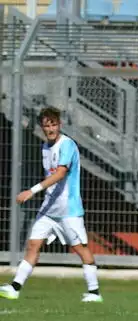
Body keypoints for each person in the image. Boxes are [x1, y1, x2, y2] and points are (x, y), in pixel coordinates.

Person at [0, 107, 101, 303]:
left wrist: (32, 191)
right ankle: (14, 287)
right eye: (46, 126)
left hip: (68, 209)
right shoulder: (45, 148)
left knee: (81, 248)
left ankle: (94, 292)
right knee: (33, 245)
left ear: (59, 125)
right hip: (49, 209)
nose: (50, 129)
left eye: (53, 124)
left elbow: (60, 173)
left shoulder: (67, 145)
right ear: (42, 128)